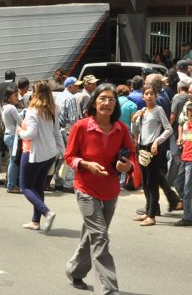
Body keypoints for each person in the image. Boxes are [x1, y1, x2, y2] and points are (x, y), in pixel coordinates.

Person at [64, 83, 134, 293]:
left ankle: (75, 270)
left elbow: (129, 156)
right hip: (86, 189)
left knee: (93, 236)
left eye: (111, 99)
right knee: (101, 236)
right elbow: (69, 157)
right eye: (103, 98)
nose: (107, 103)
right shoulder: (81, 127)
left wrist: (126, 166)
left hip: (111, 189)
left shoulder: (121, 129)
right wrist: (86, 165)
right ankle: (109, 289)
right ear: (94, 102)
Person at [18, 81, 64, 231]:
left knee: (25, 187)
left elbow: (31, 134)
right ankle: (35, 221)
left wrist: (19, 132)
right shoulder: (53, 110)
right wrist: (63, 152)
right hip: (50, 153)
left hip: (34, 153)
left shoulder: (33, 110)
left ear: (34, 93)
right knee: (38, 187)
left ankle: (46, 212)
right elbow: (57, 133)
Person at [131, 84, 174, 226]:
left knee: (152, 182)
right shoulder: (142, 110)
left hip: (153, 149)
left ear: (156, 95)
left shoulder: (158, 109)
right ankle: (148, 210)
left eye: (151, 93)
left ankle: (152, 215)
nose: (149, 96)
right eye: (146, 94)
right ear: (143, 96)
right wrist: (134, 120)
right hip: (142, 148)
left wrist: (157, 141)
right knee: (145, 182)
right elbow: (135, 130)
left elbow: (168, 129)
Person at [2, 87, 22, 194]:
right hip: (12, 136)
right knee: (13, 162)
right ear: (9, 97)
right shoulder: (11, 108)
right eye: (15, 95)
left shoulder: (5, 107)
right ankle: (11, 185)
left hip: (9, 135)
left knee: (12, 161)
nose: (17, 98)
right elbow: (20, 121)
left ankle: (12, 184)